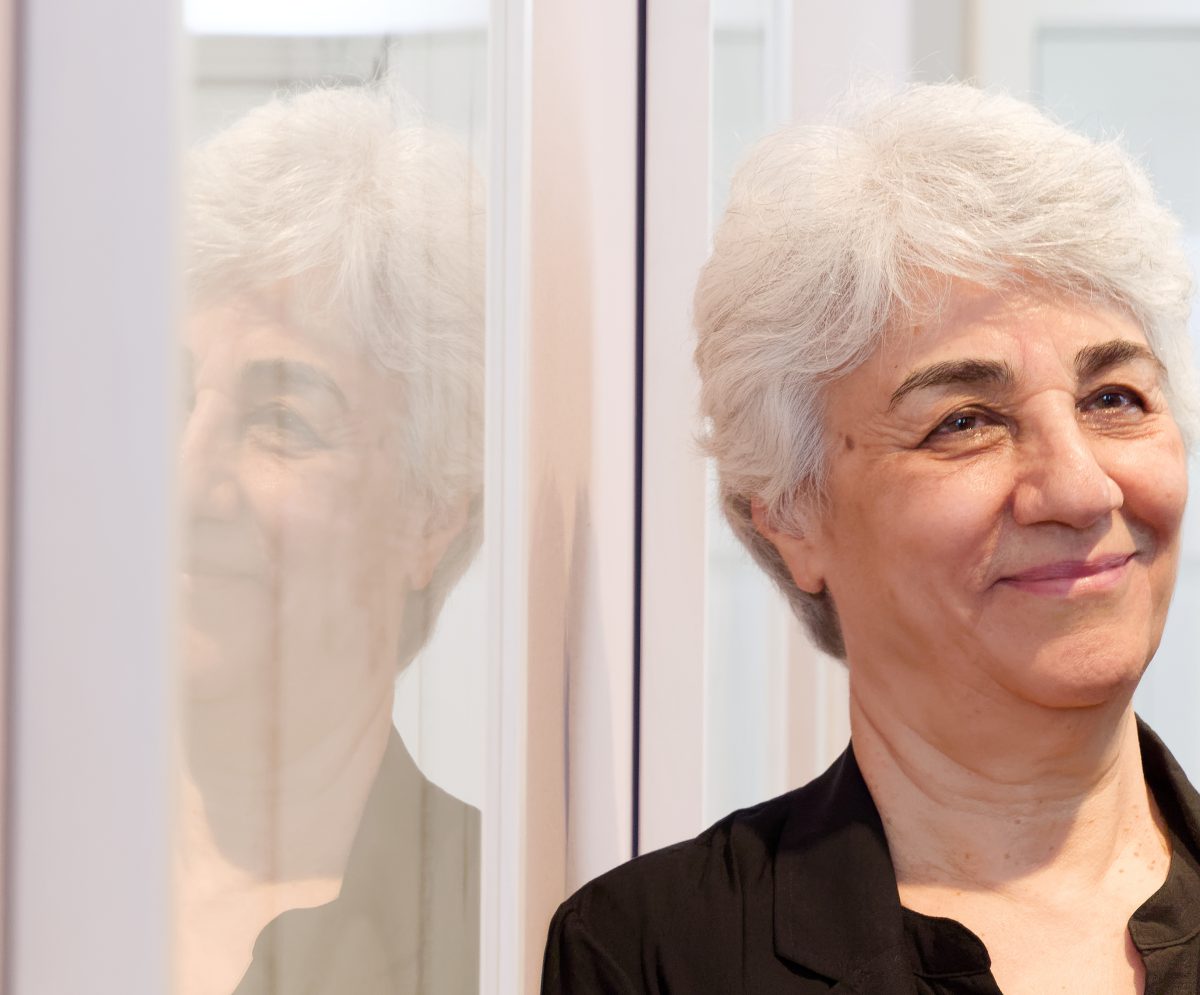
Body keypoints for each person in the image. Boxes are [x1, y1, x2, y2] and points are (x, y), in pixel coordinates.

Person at [542, 83, 1200, 994]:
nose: (1082, 488)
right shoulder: (653, 953)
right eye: (965, 420)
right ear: (791, 512)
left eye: (1114, 398)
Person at [176, 81, 484, 995]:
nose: (185, 483)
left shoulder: (512, 925)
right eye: (167, 398)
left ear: (430, 512)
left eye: (283, 418)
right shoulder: (37, 856)